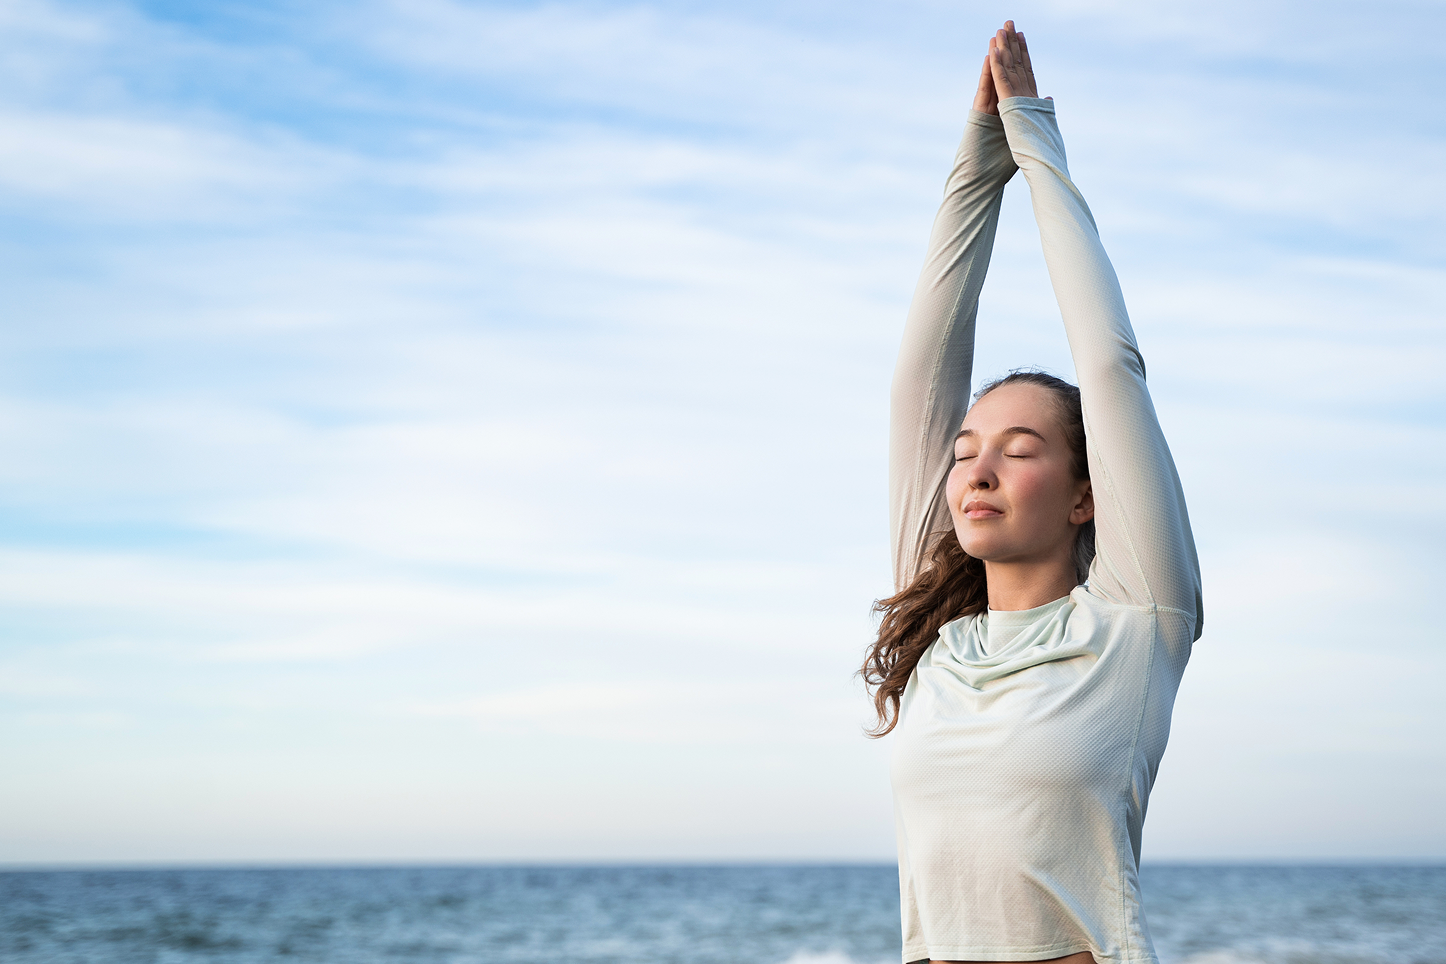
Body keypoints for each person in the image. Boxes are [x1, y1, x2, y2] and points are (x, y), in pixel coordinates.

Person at [860, 21, 1204, 964]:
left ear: (1086, 495)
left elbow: (1109, 365)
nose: (976, 469)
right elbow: (916, 387)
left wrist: (1031, 138)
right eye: (968, 449)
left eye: (1019, 450)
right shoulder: (935, 642)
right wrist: (975, 165)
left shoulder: (1135, 624)